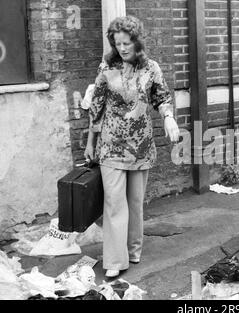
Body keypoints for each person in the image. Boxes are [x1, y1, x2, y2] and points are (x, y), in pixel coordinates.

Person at [84, 16, 179, 278]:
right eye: (117, 43)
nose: (122, 48)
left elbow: (162, 97)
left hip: (141, 146)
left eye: (126, 43)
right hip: (110, 145)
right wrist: (90, 142)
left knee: (135, 202)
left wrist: (168, 117)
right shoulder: (107, 65)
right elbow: (97, 105)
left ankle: (133, 249)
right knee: (114, 203)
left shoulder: (151, 68)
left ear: (136, 41)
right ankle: (115, 260)